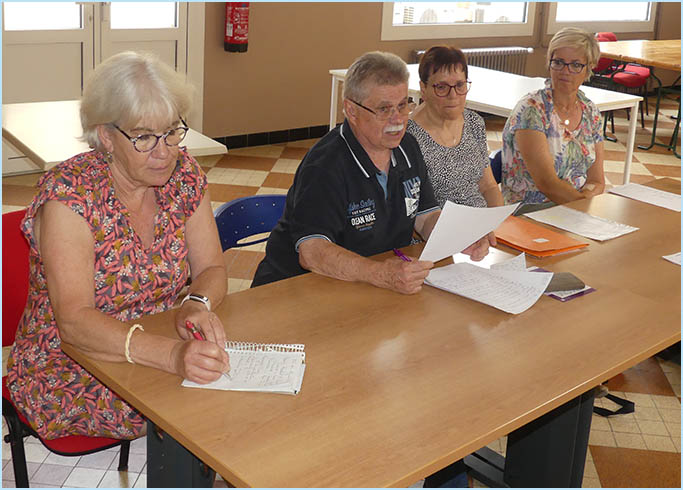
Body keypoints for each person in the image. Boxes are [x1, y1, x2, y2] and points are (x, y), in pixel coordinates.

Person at [6, 51, 230, 440]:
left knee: (219, 391)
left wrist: (197, 303)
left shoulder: (185, 176)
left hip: (156, 335)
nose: (164, 152)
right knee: (197, 408)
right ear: (106, 136)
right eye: (143, 137)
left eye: (172, 132)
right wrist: (171, 355)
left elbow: (212, 268)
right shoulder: (71, 196)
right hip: (70, 362)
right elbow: (74, 322)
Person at [251, 51, 489, 294]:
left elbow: (426, 217)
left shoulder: (407, 146)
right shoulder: (325, 165)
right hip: (294, 290)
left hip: (365, 288)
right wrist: (379, 274)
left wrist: (460, 237)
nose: (398, 120)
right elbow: (312, 252)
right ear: (352, 111)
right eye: (384, 109)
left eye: (403, 105)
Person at [501, 27, 605, 204]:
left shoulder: (590, 111)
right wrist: (582, 207)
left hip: (573, 205)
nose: (565, 71)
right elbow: (547, 184)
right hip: (529, 210)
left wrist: (585, 200)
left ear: (589, 68)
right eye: (558, 62)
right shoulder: (532, 109)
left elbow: (597, 181)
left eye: (575, 65)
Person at [407, 45, 503, 209]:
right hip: (437, 222)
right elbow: (411, 207)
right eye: (441, 87)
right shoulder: (408, 137)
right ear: (424, 88)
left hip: (481, 219)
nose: (453, 95)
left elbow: (489, 186)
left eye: (460, 85)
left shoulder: (473, 123)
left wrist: (497, 219)